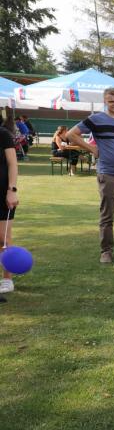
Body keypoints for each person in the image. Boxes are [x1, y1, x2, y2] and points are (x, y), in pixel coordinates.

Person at [66, 87, 114, 263]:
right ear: (105, 102)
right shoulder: (96, 119)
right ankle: (106, 251)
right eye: (111, 101)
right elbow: (71, 134)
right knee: (107, 215)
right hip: (108, 174)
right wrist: (91, 148)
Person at [1, 113, 20, 295]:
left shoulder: (3, 134)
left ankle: (7, 279)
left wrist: (12, 190)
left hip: (2, 193)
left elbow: (13, 164)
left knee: (3, 239)